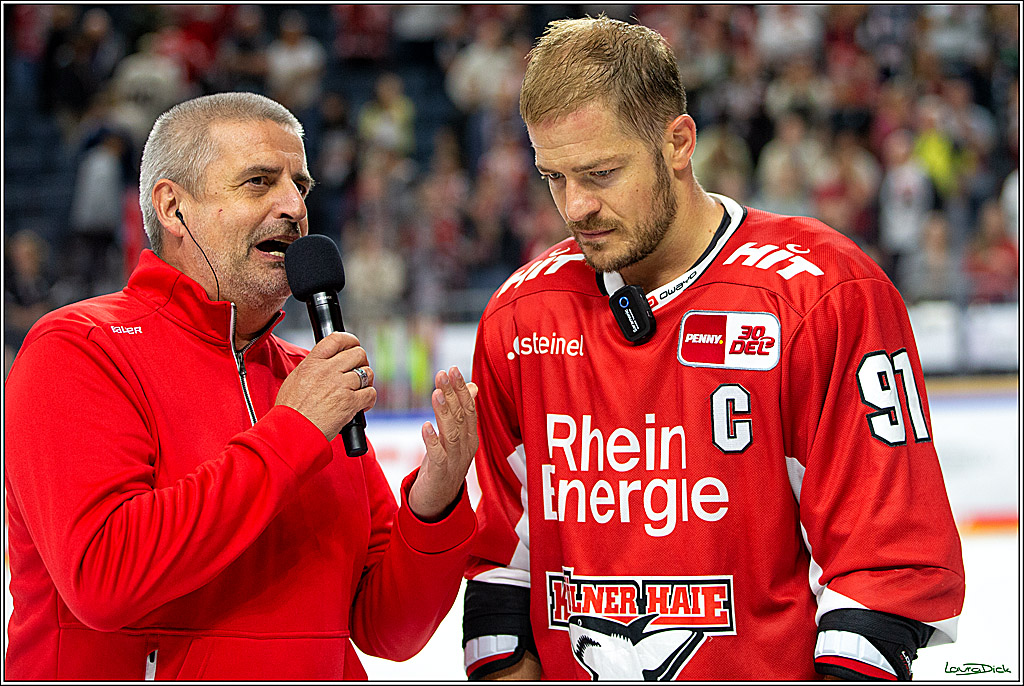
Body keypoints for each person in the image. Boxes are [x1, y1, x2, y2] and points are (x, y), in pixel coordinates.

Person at [462, 17, 965, 681]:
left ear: (678, 143)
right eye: (554, 177)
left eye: (601, 172)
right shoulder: (521, 319)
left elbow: (885, 571)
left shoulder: (824, 294)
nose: (576, 206)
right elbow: (501, 581)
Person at [4, 92, 479, 680]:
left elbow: (390, 630)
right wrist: (293, 432)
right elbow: (104, 578)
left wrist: (432, 505)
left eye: (300, 186)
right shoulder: (80, 348)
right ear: (174, 208)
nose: (293, 208)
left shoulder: (308, 380)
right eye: (258, 182)